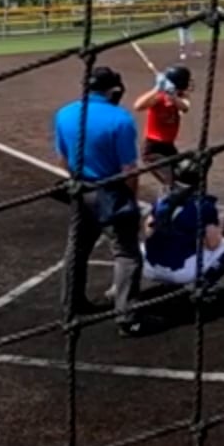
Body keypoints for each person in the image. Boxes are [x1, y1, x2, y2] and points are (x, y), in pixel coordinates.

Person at [53, 65, 145, 335]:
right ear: (114, 90)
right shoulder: (120, 119)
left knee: (77, 249)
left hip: (80, 189)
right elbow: (129, 170)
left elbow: (62, 159)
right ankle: (127, 319)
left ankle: (72, 307)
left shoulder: (65, 113)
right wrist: (130, 199)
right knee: (126, 253)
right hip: (112, 191)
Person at [140, 156, 224, 298]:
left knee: (143, 247)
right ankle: (201, 288)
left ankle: (127, 287)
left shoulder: (162, 200)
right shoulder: (203, 206)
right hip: (181, 273)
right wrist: (221, 227)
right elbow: (212, 244)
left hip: (149, 268)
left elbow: (148, 231)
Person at [132, 65, 191, 188]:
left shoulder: (181, 98)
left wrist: (173, 97)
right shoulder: (158, 97)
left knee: (187, 174)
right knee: (170, 182)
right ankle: (168, 199)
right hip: (152, 148)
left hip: (169, 147)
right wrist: (157, 89)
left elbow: (185, 108)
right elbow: (138, 106)